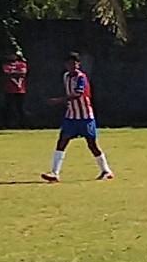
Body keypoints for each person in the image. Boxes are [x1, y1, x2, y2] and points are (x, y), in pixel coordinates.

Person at [40, 52, 113, 182]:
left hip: (85, 116)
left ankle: (106, 170)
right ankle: (54, 173)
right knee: (62, 141)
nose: (72, 66)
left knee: (92, 144)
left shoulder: (81, 77)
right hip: (71, 116)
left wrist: (59, 101)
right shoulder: (66, 76)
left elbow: (78, 94)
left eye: (74, 63)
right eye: (69, 63)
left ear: (78, 64)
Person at [1, 50, 29, 127]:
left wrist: (13, 73)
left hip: (20, 90)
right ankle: (9, 124)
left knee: (20, 107)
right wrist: (16, 73)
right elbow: (7, 73)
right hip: (9, 90)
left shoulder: (22, 64)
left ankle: (22, 123)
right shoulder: (6, 65)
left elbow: (23, 72)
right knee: (9, 107)